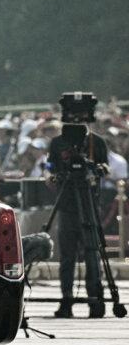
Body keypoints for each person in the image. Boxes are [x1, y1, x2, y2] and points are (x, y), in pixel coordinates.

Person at [47, 95, 110, 319]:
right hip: (67, 205)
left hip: (89, 205)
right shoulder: (57, 143)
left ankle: (97, 300)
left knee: (92, 254)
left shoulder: (97, 142)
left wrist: (94, 169)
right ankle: (66, 301)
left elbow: (105, 169)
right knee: (67, 257)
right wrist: (54, 175)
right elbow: (51, 168)